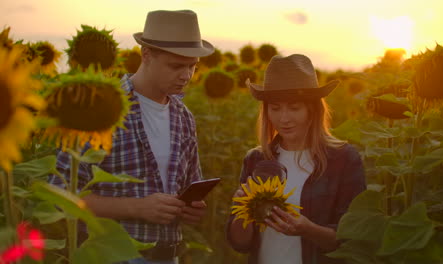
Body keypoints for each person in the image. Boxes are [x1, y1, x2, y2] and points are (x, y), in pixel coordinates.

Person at [49, 10, 215, 264]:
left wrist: (188, 209)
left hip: (168, 257)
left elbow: (189, 187)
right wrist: (137, 207)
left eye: (192, 66)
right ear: (146, 55)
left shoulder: (184, 117)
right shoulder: (101, 108)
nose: (186, 76)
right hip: (109, 256)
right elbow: (60, 195)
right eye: (176, 66)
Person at [226, 54, 366, 264]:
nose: (284, 118)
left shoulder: (343, 160)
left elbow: (353, 238)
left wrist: (308, 230)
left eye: (294, 108)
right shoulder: (256, 159)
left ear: (313, 110)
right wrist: (241, 208)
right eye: (275, 108)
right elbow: (240, 244)